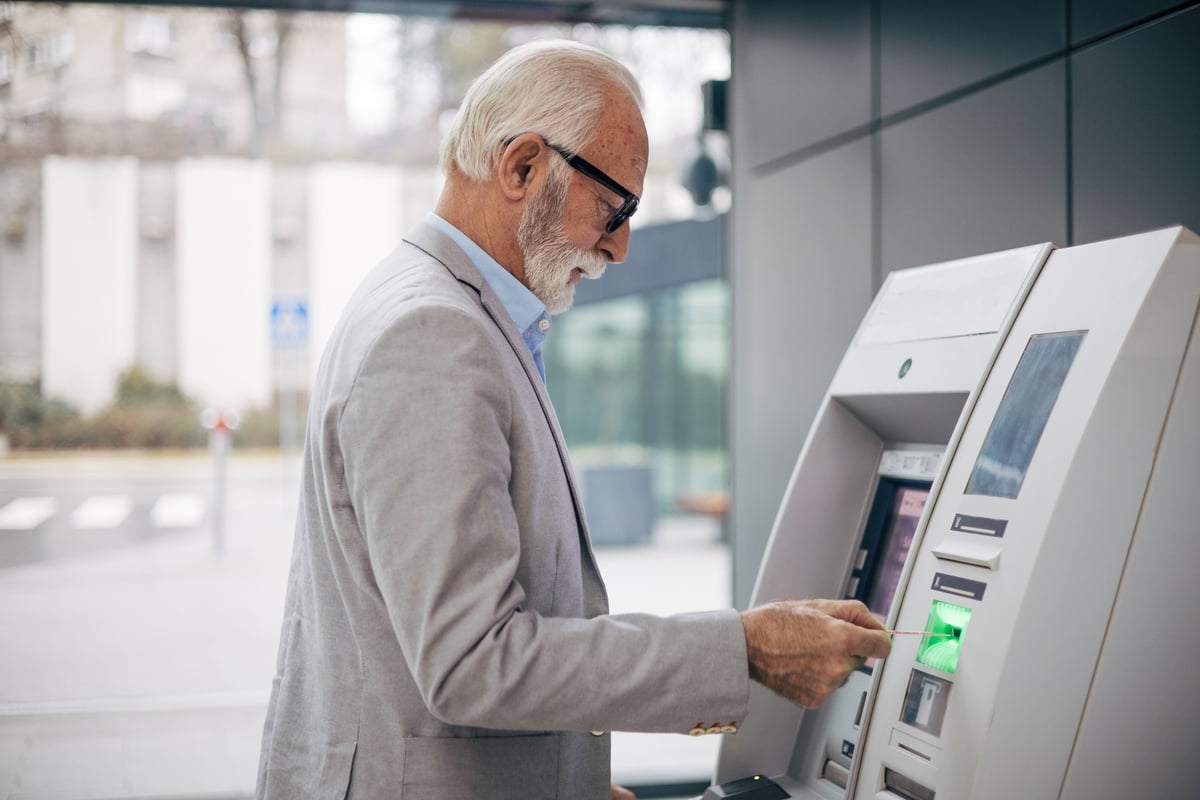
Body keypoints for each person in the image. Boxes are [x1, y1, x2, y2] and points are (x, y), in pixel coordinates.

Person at [255, 39, 892, 800]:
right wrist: (744, 648)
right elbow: (472, 664)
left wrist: (565, 779)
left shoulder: (443, 310)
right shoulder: (434, 335)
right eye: (615, 207)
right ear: (522, 166)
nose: (621, 246)